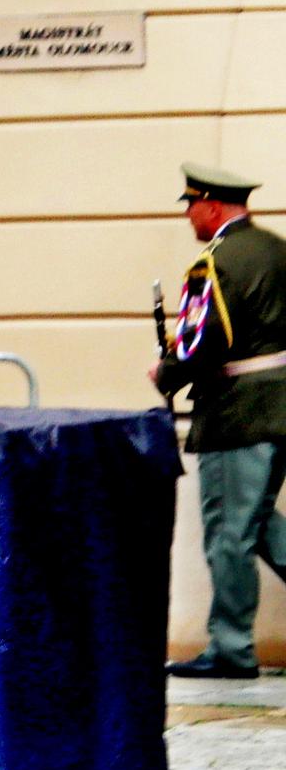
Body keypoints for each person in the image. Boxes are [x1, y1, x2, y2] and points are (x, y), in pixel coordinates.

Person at [159, 162, 286, 679]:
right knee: (256, 526)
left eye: (192, 206)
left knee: (229, 534)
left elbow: (203, 340)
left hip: (239, 413)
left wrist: (167, 370)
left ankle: (231, 650)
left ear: (211, 205)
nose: (191, 218)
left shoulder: (215, 262)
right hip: (278, 408)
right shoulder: (278, 250)